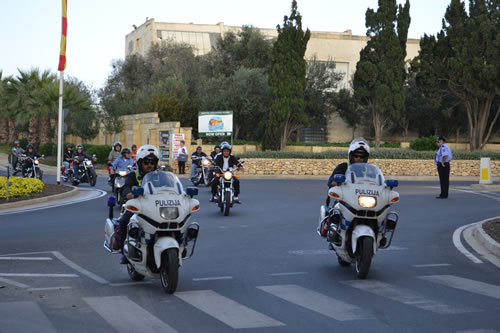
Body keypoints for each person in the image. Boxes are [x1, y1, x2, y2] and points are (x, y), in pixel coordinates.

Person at [320, 137, 370, 239]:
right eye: (356, 156)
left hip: (363, 200)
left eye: (362, 157)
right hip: (346, 200)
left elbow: (379, 181)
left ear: (366, 158)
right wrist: (336, 182)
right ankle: (327, 229)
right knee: (335, 211)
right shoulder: (343, 167)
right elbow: (332, 180)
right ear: (351, 156)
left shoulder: (369, 170)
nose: (359, 159)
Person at [117, 144, 160, 264]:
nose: (149, 165)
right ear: (140, 163)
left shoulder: (159, 176)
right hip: (139, 206)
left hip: (157, 206)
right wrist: (128, 193)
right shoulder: (133, 175)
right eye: (146, 162)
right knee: (124, 221)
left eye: (152, 162)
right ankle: (124, 251)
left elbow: (170, 186)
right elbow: (126, 187)